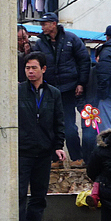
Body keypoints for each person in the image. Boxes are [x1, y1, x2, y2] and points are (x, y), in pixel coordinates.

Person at [18, 52, 65, 221]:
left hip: (44, 150)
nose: (30, 71)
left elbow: (59, 121)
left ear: (43, 69)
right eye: (27, 68)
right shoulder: (18, 90)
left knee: (39, 193)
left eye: (34, 68)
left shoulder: (54, 93)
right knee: (19, 192)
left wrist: (58, 145)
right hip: (22, 150)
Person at [34, 12, 90, 163]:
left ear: (54, 24)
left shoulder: (71, 39)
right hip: (48, 90)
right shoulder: (39, 43)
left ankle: (77, 157)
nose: (42, 27)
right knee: (49, 125)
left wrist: (81, 83)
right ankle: (54, 159)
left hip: (69, 88)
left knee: (69, 125)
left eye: (45, 23)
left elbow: (84, 61)